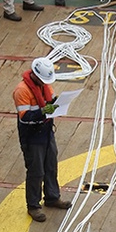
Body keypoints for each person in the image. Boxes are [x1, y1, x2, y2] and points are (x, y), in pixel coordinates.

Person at [13, 57, 72, 221]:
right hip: (32, 137)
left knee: (51, 166)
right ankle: (33, 205)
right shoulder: (22, 91)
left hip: (46, 132)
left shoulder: (44, 85)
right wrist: (46, 111)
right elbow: (25, 118)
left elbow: (49, 101)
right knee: (36, 171)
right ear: (35, 76)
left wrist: (56, 103)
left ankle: (52, 197)